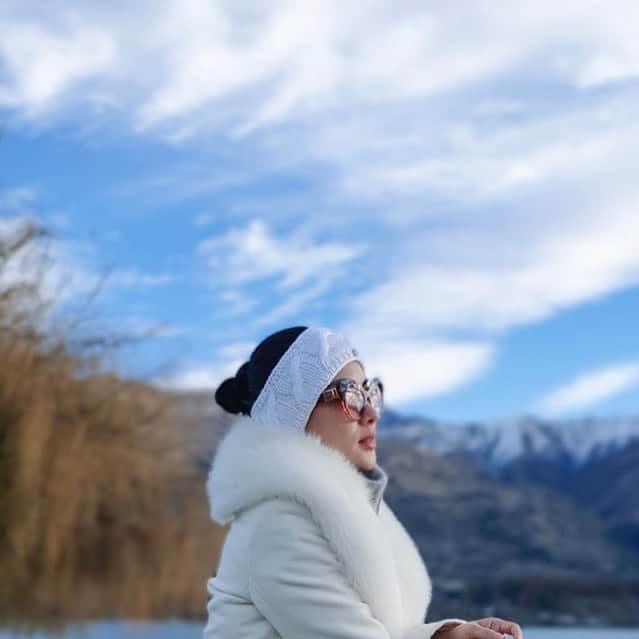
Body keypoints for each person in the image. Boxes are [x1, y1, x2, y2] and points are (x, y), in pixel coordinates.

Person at [203, 326, 523, 639]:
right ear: (293, 414)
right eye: (349, 395)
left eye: (369, 392)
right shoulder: (278, 526)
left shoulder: (341, 511)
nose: (371, 412)